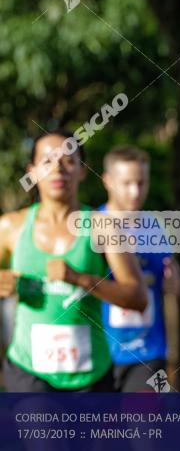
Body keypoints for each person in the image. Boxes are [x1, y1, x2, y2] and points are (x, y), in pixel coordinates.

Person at [0, 130, 148, 392]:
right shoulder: (11, 227)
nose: (58, 169)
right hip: (30, 372)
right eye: (48, 161)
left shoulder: (103, 227)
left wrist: (80, 279)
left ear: (82, 170)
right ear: (32, 171)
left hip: (91, 375)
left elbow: (138, 298)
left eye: (69, 161)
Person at [100, 145, 180, 392]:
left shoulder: (156, 230)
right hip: (100, 356)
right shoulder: (92, 226)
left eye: (141, 183)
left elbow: (171, 288)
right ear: (108, 181)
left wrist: (175, 284)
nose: (135, 192)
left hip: (149, 354)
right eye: (126, 183)